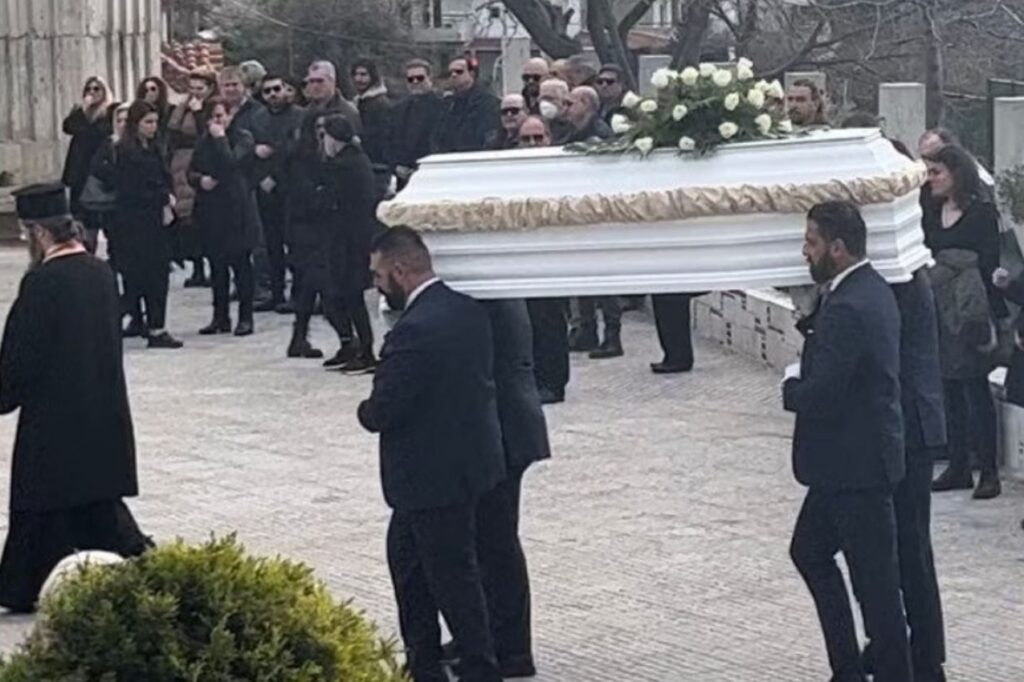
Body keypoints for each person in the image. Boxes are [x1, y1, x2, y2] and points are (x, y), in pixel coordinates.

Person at [358, 226, 505, 682]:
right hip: (467, 466)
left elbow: (383, 408)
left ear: (400, 271)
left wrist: (364, 409)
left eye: (379, 276)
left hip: (429, 478)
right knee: (411, 566)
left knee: (451, 579)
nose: (377, 286)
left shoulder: (412, 332)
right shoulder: (467, 311)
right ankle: (423, 664)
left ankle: (480, 668)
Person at [0, 183, 151, 614]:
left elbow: (20, 356)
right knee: (93, 506)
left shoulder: (42, 283)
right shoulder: (100, 273)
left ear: (39, 233)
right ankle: (21, 586)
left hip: (55, 422)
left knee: (48, 504)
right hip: (101, 412)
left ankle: (20, 587)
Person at [784, 200, 911, 682]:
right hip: (853, 465)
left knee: (875, 589)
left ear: (837, 248)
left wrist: (791, 387)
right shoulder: (869, 289)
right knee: (812, 553)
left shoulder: (850, 306)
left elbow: (823, 393)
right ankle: (848, 669)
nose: (805, 252)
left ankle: (875, 672)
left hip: (853, 468)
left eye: (811, 242)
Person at [922, 144, 1003, 499]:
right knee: (949, 389)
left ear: (956, 173)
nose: (931, 179)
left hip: (971, 310)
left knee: (975, 388)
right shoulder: (931, 211)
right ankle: (958, 465)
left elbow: (987, 262)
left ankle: (988, 470)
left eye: (937, 172)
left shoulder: (981, 214)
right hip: (939, 307)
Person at [102, 101, 183, 349]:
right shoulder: (126, 152)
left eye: (155, 122)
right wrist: (162, 197)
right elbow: (130, 189)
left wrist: (169, 196)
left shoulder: (155, 148)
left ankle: (157, 327)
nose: (152, 127)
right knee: (136, 279)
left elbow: (164, 177)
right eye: (147, 122)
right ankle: (113, 322)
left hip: (156, 223)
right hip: (134, 224)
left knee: (158, 276)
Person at [282, 114, 354, 361]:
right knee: (320, 284)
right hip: (305, 229)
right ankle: (345, 338)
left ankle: (300, 337)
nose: (322, 134)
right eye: (318, 128)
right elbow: (306, 196)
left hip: (322, 228)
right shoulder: (301, 159)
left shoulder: (328, 158)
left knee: (309, 287)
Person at [189, 96, 260, 337]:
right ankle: (220, 316)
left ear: (229, 116)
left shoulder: (243, 138)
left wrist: (220, 139)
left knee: (241, 266)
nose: (216, 122)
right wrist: (200, 180)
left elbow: (231, 164)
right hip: (211, 210)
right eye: (211, 118)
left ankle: (246, 317)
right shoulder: (203, 142)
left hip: (236, 209)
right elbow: (191, 170)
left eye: (220, 116)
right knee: (217, 266)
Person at [319, 114, 378, 373]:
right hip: (355, 236)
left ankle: (364, 350)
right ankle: (352, 345)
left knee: (348, 295)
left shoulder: (342, 165)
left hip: (347, 239)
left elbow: (326, 200)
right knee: (344, 295)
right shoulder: (358, 159)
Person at [518, 117, 571, 404]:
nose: (533, 144)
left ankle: (554, 382)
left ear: (549, 138)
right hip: (523, 254)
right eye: (526, 139)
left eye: (538, 138)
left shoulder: (560, 169)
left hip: (551, 253)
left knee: (550, 319)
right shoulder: (512, 172)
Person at [255, 74, 305, 313]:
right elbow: (247, 150)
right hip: (264, 189)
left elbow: (295, 150)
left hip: (292, 187)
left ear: (285, 89)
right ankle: (275, 293)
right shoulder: (257, 118)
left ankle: (298, 294)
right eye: (267, 91)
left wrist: (274, 173)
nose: (273, 94)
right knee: (271, 244)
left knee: (295, 244)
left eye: (277, 89)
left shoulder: (299, 116)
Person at [168, 67, 218, 288]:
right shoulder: (183, 106)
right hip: (180, 163)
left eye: (200, 88)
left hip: (199, 161)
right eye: (192, 88)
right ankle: (197, 267)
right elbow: (173, 130)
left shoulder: (212, 107)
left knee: (204, 218)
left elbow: (206, 133)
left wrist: (199, 113)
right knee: (187, 219)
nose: (195, 92)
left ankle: (213, 268)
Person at [61, 76, 116, 251]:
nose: (92, 93)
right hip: (79, 170)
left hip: (99, 170)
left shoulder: (110, 112)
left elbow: (98, 133)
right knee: (81, 219)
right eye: (88, 89)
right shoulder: (80, 112)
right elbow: (68, 127)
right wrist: (83, 111)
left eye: (96, 89)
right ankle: (86, 251)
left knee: (102, 217)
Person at [390, 59, 445, 190]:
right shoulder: (398, 109)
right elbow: (390, 140)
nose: (415, 82)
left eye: (420, 78)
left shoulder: (443, 108)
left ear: (429, 78)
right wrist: (396, 166)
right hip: (403, 177)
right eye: (410, 79)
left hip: (432, 174)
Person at [433, 57, 500, 153]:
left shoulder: (488, 103)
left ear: (471, 74)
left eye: (459, 71)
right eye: (450, 73)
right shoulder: (447, 105)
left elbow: (490, 137)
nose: (453, 75)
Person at [351, 58, 393, 181]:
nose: (358, 79)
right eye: (355, 74)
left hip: (376, 166)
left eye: (363, 74)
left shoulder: (379, 104)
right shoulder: (359, 102)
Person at [303, 60, 363, 133]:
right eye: (312, 81)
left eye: (320, 81)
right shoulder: (305, 114)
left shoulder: (348, 113)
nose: (315, 86)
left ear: (332, 82)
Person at [537, 78, 573, 144]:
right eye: (542, 99)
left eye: (549, 99)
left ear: (564, 102)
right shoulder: (535, 126)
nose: (545, 103)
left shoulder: (572, 129)